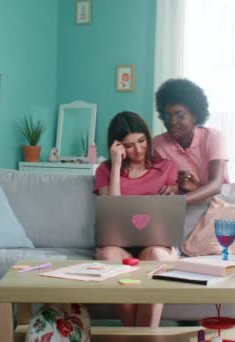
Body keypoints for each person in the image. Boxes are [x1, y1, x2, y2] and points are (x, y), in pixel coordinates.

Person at [93, 111, 179, 327]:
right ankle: (136, 334)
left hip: (157, 244)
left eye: (141, 141)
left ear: (148, 138)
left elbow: (171, 213)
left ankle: (140, 335)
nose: (138, 149)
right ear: (118, 146)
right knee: (107, 255)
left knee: (157, 255)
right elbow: (113, 211)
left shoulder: (166, 167)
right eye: (129, 145)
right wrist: (115, 166)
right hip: (119, 246)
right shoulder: (104, 170)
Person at [153, 78, 229, 204]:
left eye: (180, 116)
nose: (172, 121)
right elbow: (161, 184)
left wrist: (180, 201)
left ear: (195, 116)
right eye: (167, 116)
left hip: (220, 201)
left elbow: (216, 185)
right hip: (185, 207)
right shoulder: (158, 144)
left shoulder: (213, 137)